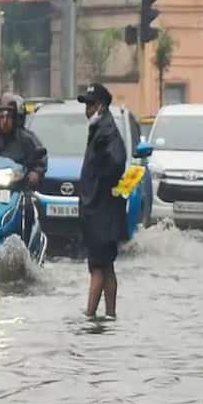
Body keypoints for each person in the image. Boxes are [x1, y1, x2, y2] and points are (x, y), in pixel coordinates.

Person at [77, 83, 127, 319]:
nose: (87, 109)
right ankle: (110, 316)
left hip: (101, 210)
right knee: (105, 266)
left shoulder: (107, 131)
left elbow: (116, 163)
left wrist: (101, 185)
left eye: (90, 104)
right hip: (98, 209)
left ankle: (90, 317)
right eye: (86, 104)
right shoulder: (99, 129)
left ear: (101, 106)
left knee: (98, 266)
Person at [0, 92, 47, 244]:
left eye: (8, 117)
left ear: (15, 118)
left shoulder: (26, 139)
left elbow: (40, 158)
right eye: (1, 117)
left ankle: (27, 245)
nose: (4, 121)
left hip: (18, 189)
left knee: (29, 209)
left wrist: (35, 173)